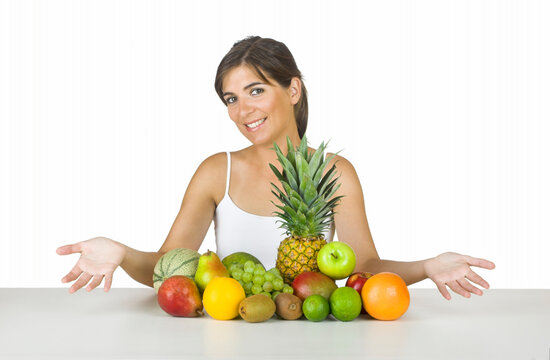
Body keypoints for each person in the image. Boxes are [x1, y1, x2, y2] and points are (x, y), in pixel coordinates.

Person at [57, 36, 495, 300]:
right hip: (227, 333)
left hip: (311, 339)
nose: (242, 110)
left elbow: (366, 266)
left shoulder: (335, 172)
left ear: (293, 90)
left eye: (255, 90)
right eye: (231, 99)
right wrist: (120, 252)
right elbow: (169, 270)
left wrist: (428, 265)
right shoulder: (216, 171)